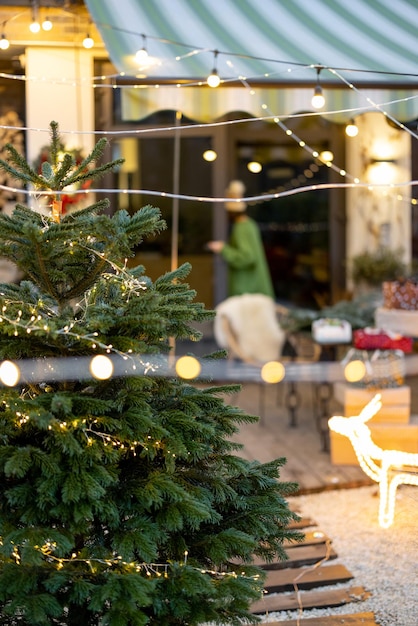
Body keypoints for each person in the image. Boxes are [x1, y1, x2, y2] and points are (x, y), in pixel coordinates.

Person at [207, 180, 275, 298]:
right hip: (254, 291)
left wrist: (223, 249)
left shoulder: (241, 227)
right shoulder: (250, 224)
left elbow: (247, 257)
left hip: (249, 291)